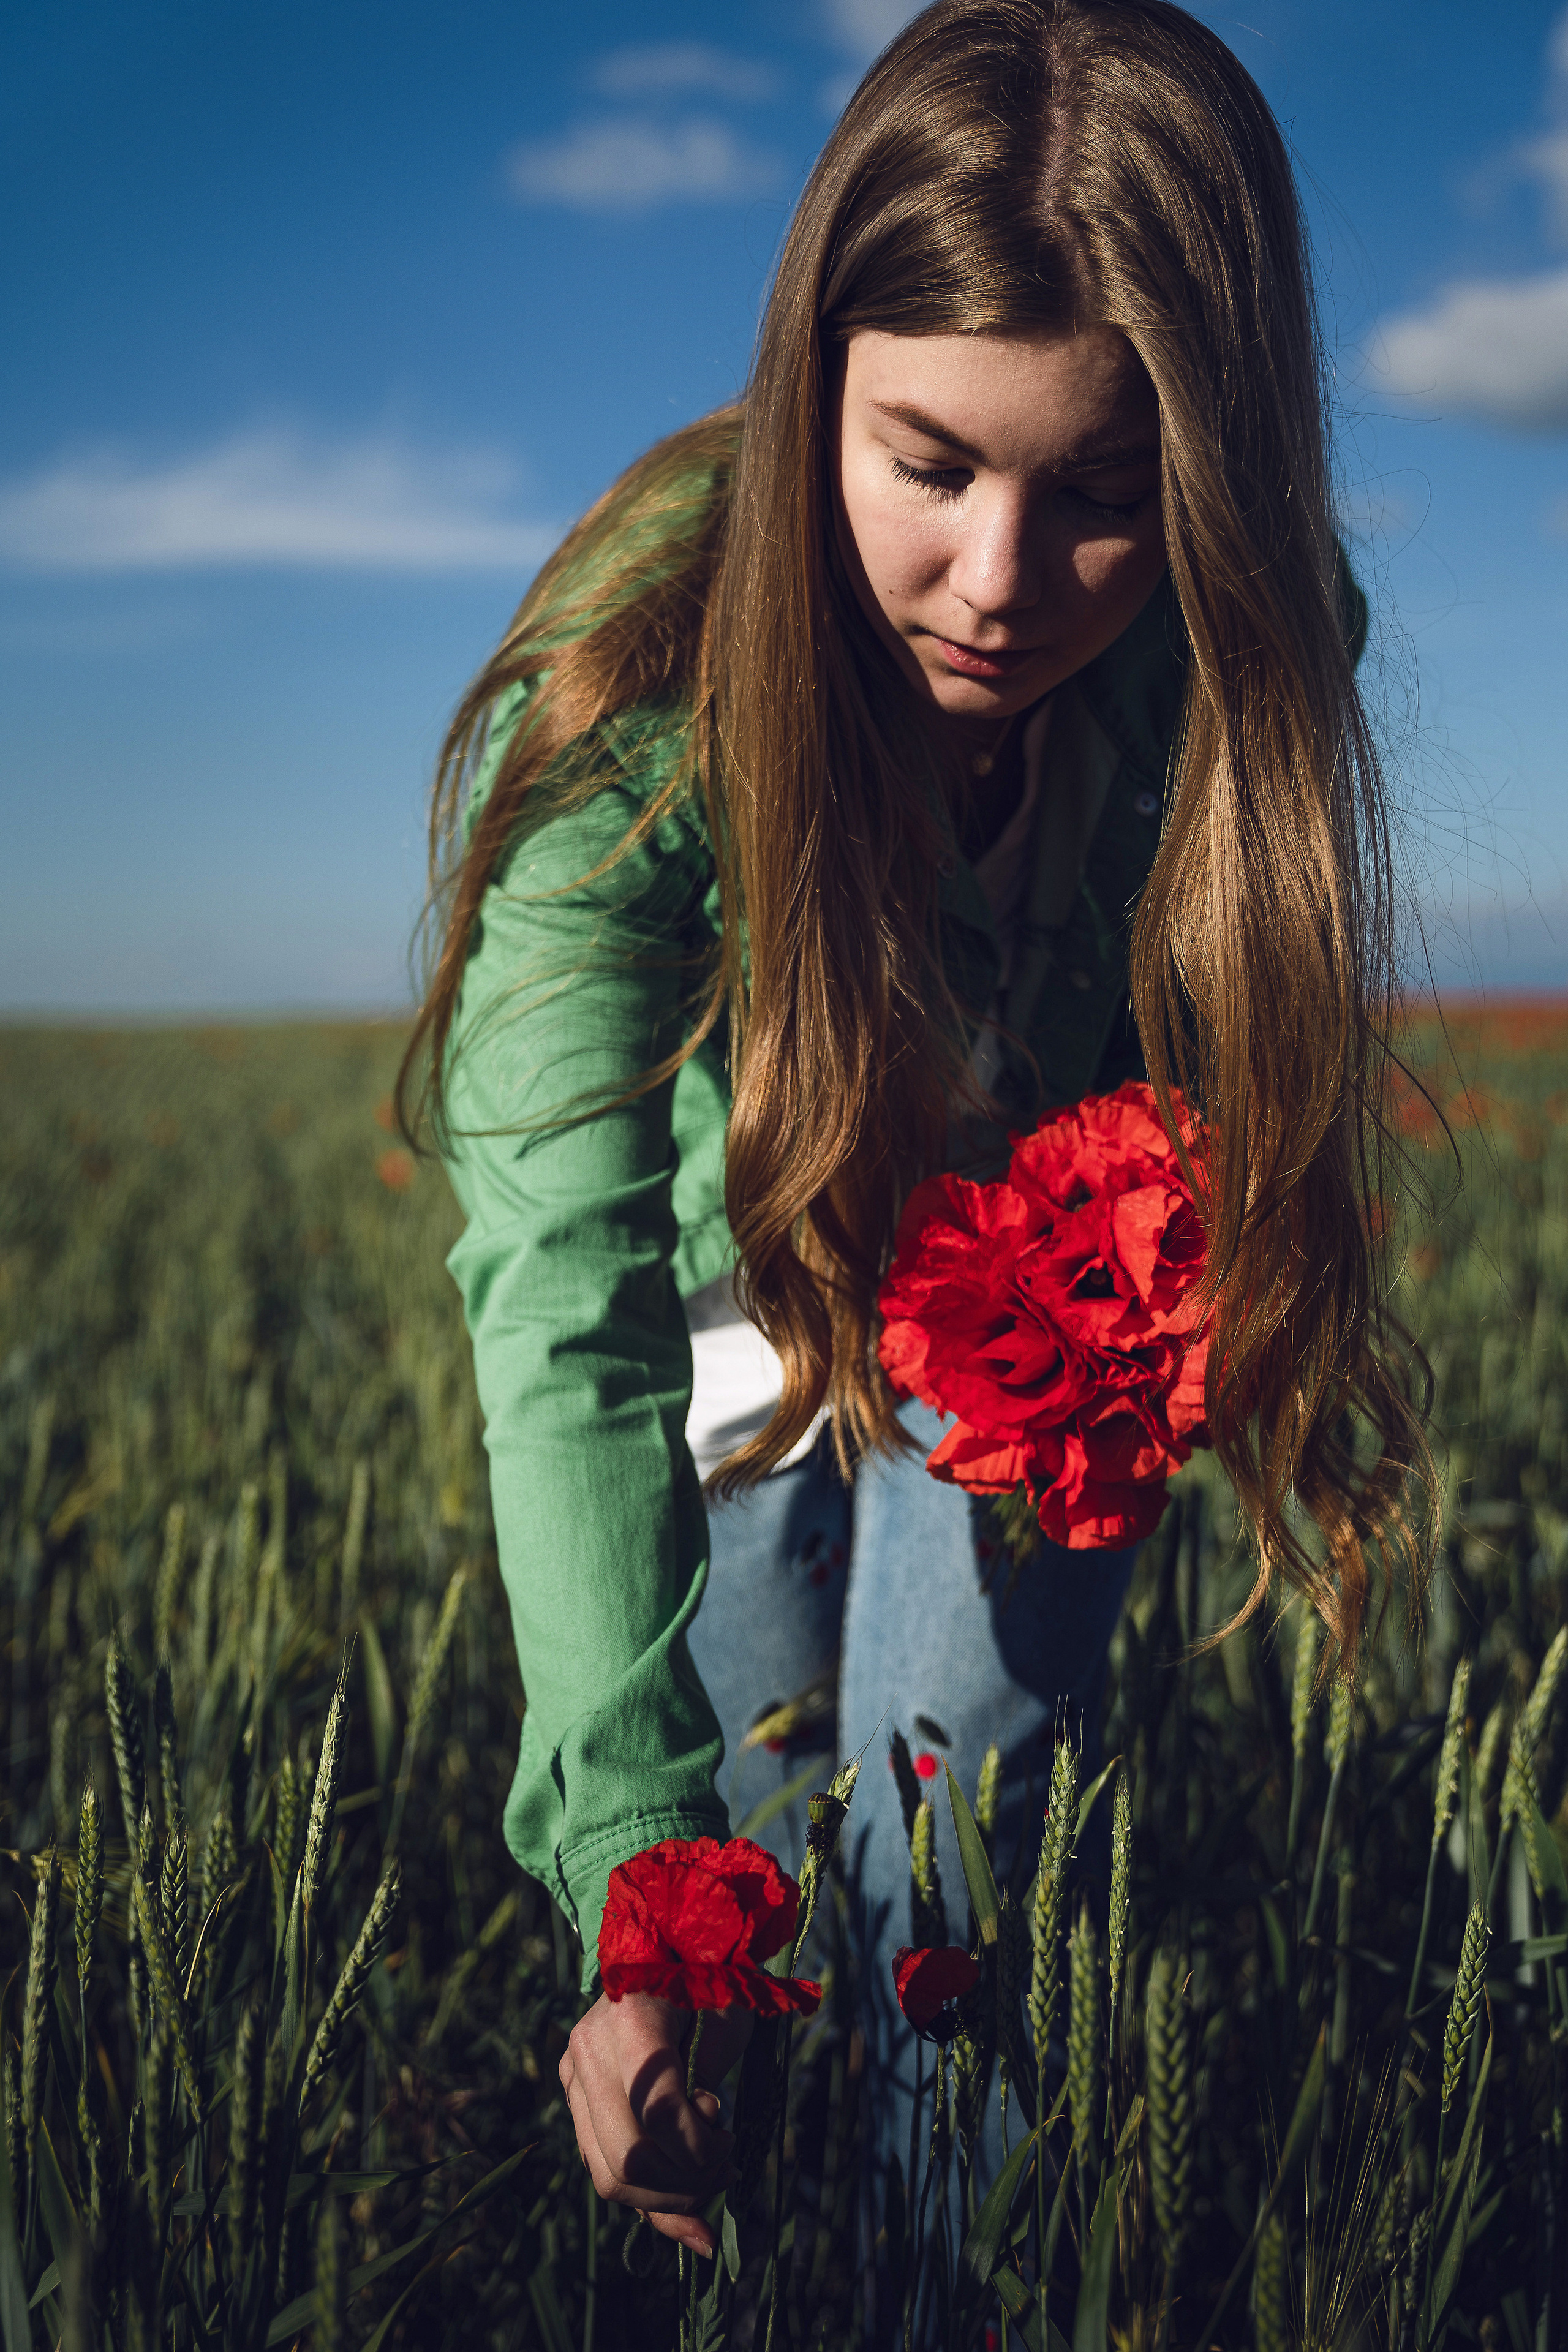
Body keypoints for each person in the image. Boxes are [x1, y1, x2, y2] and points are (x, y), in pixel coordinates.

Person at [398, 0, 1428, 2299]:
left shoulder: (1257, 624)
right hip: (734, 1305)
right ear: (811, 383)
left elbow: (1233, 1004)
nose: (997, 576)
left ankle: (945, 2282)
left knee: (961, 1859)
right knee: (741, 1912)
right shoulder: (632, 676)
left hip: (1043, 1285)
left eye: (1103, 490)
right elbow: (562, 1304)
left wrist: (1172, 1245)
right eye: (929, 460)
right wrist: (635, 1881)